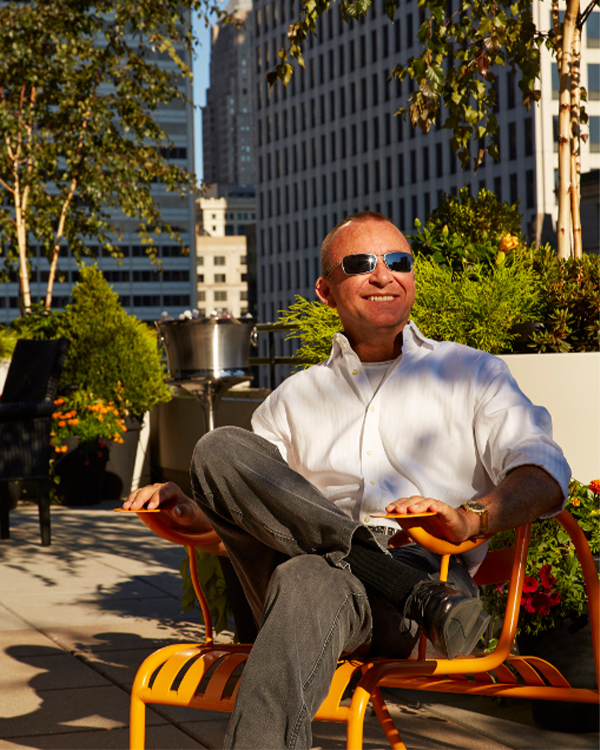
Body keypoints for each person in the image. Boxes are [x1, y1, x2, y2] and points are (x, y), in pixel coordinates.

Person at [124, 212, 571, 750]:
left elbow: (543, 472)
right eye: (361, 264)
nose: (384, 275)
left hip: (419, 565)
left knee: (311, 578)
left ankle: (395, 582)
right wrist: (192, 512)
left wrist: (474, 516)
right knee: (217, 449)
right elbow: (258, 511)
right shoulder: (296, 396)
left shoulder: (472, 374)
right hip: (412, 599)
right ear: (326, 290)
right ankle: (414, 594)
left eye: (398, 262)